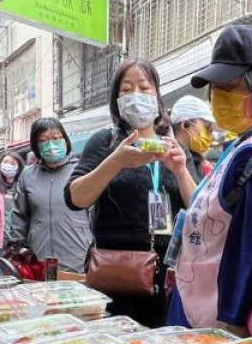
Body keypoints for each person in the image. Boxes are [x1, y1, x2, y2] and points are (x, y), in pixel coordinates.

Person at [168, 26, 252, 332]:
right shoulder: (241, 145)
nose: (218, 98)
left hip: (219, 329)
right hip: (198, 307)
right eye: (215, 89)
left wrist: (235, 331)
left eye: (228, 87)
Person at [65, 59, 195, 326]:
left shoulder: (173, 146)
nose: (136, 96)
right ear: (116, 99)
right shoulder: (105, 142)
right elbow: (75, 198)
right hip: (112, 271)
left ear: (157, 96)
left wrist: (181, 170)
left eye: (144, 88)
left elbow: (199, 207)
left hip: (165, 271)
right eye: (126, 90)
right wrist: (117, 161)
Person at [10, 118, 92, 274]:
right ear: (36, 145)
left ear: (65, 140)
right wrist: (18, 251)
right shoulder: (27, 176)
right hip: (38, 260)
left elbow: (96, 214)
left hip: (78, 258)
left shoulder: (82, 171)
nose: (51, 145)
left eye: (55, 138)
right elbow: (19, 218)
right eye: (43, 140)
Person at [169, 95, 216, 178]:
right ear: (185, 125)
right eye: (207, 127)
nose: (210, 136)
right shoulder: (171, 162)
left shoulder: (195, 162)